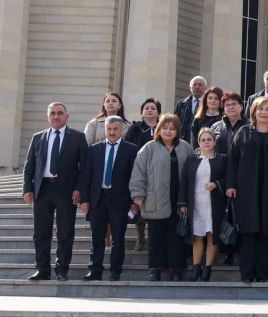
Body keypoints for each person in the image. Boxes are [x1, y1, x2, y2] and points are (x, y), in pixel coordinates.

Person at [225, 96, 268, 283]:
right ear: (253, 111)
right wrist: (231, 185)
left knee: (264, 231)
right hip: (246, 189)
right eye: (260, 108)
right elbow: (233, 160)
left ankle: (262, 274)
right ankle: (247, 274)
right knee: (248, 231)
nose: (264, 112)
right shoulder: (244, 131)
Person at [23, 102, 89, 281]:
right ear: (48, 116)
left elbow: (84, 167)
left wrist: (79, 188)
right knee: (41, 232)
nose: (56, 116)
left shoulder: (77, 137)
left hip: (66, 190)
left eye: (60, 113)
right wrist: (27, 188)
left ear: (66, 117)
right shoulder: (38, 137)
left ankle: (62, 269)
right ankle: (43, 269)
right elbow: (29, 166)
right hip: (42, 190)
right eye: (52, 113)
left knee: (65, 232)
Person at [129, 113, 194, 281]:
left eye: (172, 128)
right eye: (164, 128)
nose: (168, 131)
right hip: (155, 197)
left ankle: (175, 269)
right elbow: (138, 173)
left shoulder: (185, 147)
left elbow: (192, 172)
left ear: (177, 131)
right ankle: (155, 268)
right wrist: (138, 195)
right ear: (158, 129)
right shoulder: (149, 147)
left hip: (178, 199)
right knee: (156, 235)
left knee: (176, 236)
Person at [80, 116, 138, 281]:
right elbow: (86, 175)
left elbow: (134, 177)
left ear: (121, 130)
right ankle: (95, 270)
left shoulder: (131, 150)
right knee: (97, 236)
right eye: (109, 129)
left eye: (115, 129)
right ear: (104, 130)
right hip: (98, 199)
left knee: (118, 237)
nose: (112, 132)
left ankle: (115, 271)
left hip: (120, 199)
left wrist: (133, 201)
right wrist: (85, 199)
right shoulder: (94, 149)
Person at [178, 127, 228, 282]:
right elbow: (184, 182)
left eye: (209, 139)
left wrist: (216, 184)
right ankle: (196, 268)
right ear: (198, 142)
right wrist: (182, 202)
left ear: (214, 142)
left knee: (212, 236)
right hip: (196, 203)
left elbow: (229, 179)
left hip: (214, 203)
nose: (206, 142)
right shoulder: (192, 160)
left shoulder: (222, 159)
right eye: (203, 140)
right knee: (197, 236)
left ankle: (207, 269)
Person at [212, 91, 247, 267]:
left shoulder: (249, 125)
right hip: (220, 177)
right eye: (227, 105)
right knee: (222, 215)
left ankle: (239, 249)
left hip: (243, 176)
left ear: (242, 106)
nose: (231, 107)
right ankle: (226, 252)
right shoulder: (217, 127)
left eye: (234, 104)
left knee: (239, 216)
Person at [124, 97, 161, 251]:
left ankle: (154, 237)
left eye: (153, 108)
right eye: (146, 108)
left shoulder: (163, 127)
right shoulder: (136, 128)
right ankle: (140, 237)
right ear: (141, 112)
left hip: (158, 172)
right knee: (139, 203)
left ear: (158, 112)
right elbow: (127, 147)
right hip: (139, 170)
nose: (149, 111)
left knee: (155, 204)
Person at [175, 76, 208, 143]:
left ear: (205, 88)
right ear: (190, 88)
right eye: (194, 84)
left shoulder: (208, 104)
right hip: (184, 142)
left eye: (200, 85)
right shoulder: (181, 104)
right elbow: (175, 123)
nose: (197, 87)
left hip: (203, 143)